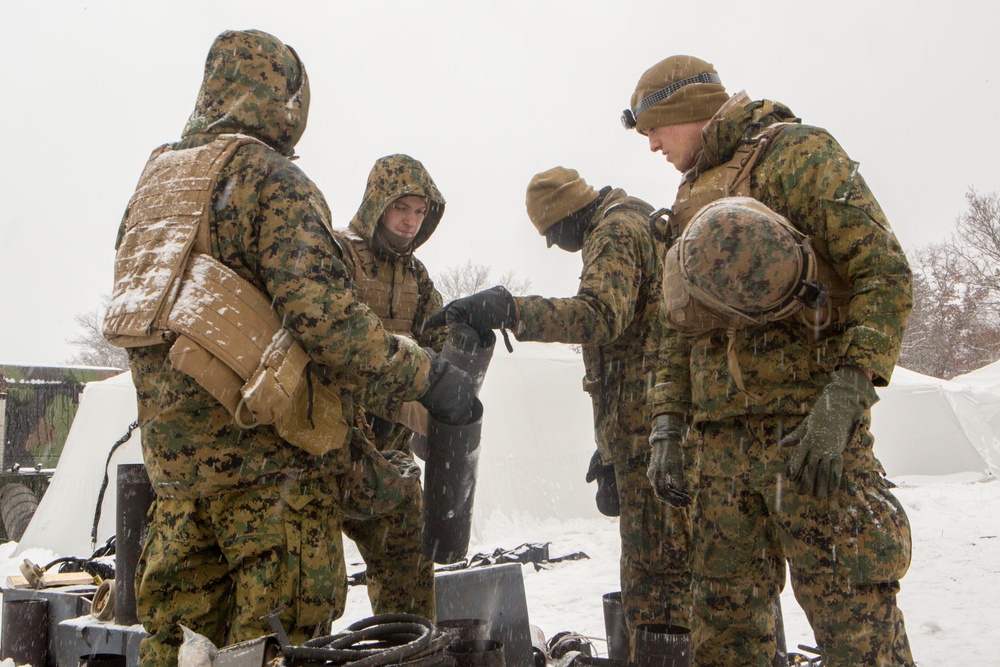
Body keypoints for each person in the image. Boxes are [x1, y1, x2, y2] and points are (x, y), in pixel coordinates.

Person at [101, 30, 476, 667]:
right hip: (268, 475)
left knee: (181, 646)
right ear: (286, 96)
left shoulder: (157, 185)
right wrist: (428, 374)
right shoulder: (272, 181)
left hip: (177, 477)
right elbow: (326, 323)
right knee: (276, 644)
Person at [623, 55, 916, 666]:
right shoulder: (687, 198)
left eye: (656, 126)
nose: (650, 143)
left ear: (689, 111)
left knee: (857, 627)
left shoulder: (799, 154)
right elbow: (678, 327)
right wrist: (667, 423)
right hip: (720, 454)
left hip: (811, 441)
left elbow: (883, 276)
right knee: (724, 636)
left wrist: (845, 395)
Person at [426, 167, 692, 651]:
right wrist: (609, 450)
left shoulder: (614, 231)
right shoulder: (628, 224)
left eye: (550, 232)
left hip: (653, 433)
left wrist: (511, 310)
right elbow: (625, 356)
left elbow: (598, 318)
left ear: (569, 214)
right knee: (659, 578)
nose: (551, 245)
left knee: (659, 586)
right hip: (644, 432)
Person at [333, 153, 449, 619]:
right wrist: (392, 400)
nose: (410, 221)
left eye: (420, 212)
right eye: (402, 208)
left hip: (390, 455)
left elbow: (438, 351)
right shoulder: (339, 256)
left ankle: (405, 649)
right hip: (329, 448)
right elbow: (328, 346)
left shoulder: (417, 275)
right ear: (377, 203)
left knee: (410, 570)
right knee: (312, 589)